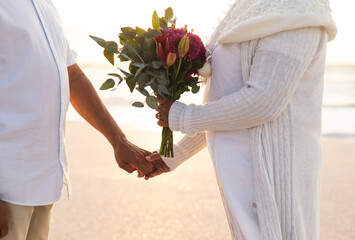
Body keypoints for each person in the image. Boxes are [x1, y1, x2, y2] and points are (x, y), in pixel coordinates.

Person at [146, 0, 337, 239]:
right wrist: (176, 153)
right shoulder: (246, 8)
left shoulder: (298, 10)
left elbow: (262, 102)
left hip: (272, 173)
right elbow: (226, 100)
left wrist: (183, 115)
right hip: (239, 174)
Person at [0, 0, 168, 239]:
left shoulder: (44, 6)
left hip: (43, 182)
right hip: (8, 185)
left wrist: (118, 141)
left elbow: (73, 76)